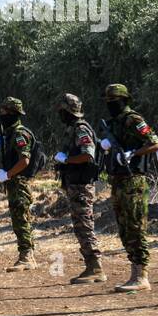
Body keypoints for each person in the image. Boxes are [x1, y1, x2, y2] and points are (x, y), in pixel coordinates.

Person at [101, 84, 158, 292]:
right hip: (118, 180)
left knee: (135, 226)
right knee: (124, 227)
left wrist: (133, 153)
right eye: (108, 101)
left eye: (114, 101)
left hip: (134, 179)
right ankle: (134, 272)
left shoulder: (133, 119)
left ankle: (142, 275)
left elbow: (154, 143)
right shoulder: (112, 123)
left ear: (124, 100)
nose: (110, 104)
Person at [53, 93, 105, 283]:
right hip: (75, 185)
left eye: (61, 110)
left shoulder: (81, 128)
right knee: (80, 226)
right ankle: (91, 266)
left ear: (68, 110)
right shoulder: (72, 128)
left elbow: (87, 155)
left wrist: (66, 160)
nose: (60, 114)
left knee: (85, 226)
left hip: (82, 186)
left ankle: (96, 267)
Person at [0, 97, 37, 271]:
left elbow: (24, 160)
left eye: (4, 112)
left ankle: (27, 256)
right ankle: (26, 254)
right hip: (14, 182)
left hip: (19, 182)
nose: (2, 116)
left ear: (12, 113)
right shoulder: (8, 135)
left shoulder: (19, 133)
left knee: (21, 218)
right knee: (18, 218)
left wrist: (8, 174)